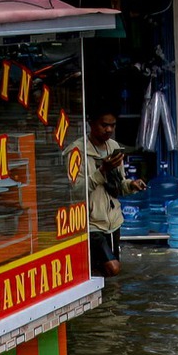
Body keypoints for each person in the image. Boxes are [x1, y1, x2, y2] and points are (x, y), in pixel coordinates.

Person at [74, 113, 143, 277]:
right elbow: (76, 191)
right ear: (91, 124)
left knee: (109, 273)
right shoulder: (78, 151)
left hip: (112, 221)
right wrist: (101, 171)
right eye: (104, 125)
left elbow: (119, 184)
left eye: (113, 125)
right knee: (113, 267)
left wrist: (131, 185)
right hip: (91, 224)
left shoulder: (113, 147)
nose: (109, 129)